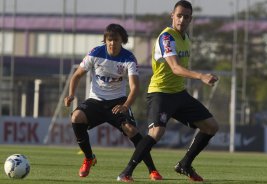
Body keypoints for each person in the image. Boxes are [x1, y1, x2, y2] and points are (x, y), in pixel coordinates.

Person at [117, 0, 219, 182]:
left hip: (179, 93)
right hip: (161, 93)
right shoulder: (167, 38)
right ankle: (126, 172)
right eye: (179, 15)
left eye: (186, 17)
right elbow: (175, 68)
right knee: (156, 132)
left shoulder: (186, 39)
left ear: (190, 19)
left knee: (211, 126)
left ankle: (185, 164)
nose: (182, 19)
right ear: (172, 15)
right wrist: (201, 76)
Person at [64, 23, 162, 180]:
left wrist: (125, 106)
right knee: (76, 117)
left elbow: (134, 87)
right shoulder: (96, 53)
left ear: (122, 40)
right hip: (95, 101)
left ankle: (152, 170)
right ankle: (89, 158)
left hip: (118, 103)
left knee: (131, 129)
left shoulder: (128, 58)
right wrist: (71, 94)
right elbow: (76, 75)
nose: (112, 43)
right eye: (109, 40)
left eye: (116, 40)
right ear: (105, 40)